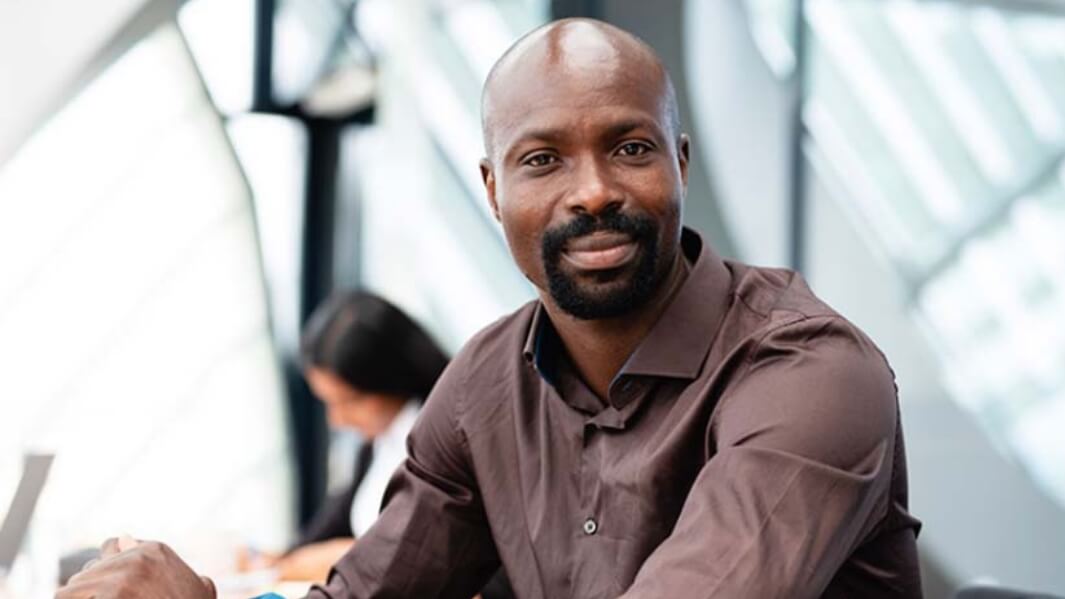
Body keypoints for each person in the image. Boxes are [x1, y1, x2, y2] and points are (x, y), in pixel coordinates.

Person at [56, 17, 923, 599]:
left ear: (680, 164)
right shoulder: (482, 385)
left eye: (629, 147)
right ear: (492, 188)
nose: (592, 192)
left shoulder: (807, 370)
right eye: (541, 159)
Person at [244, 291, 446, 582]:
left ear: (388, 380)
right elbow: (333, 522)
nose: (336, 419)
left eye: (347, 402)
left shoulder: (441, 448)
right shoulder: (379, 442)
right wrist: (279, 559)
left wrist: (344, 555)